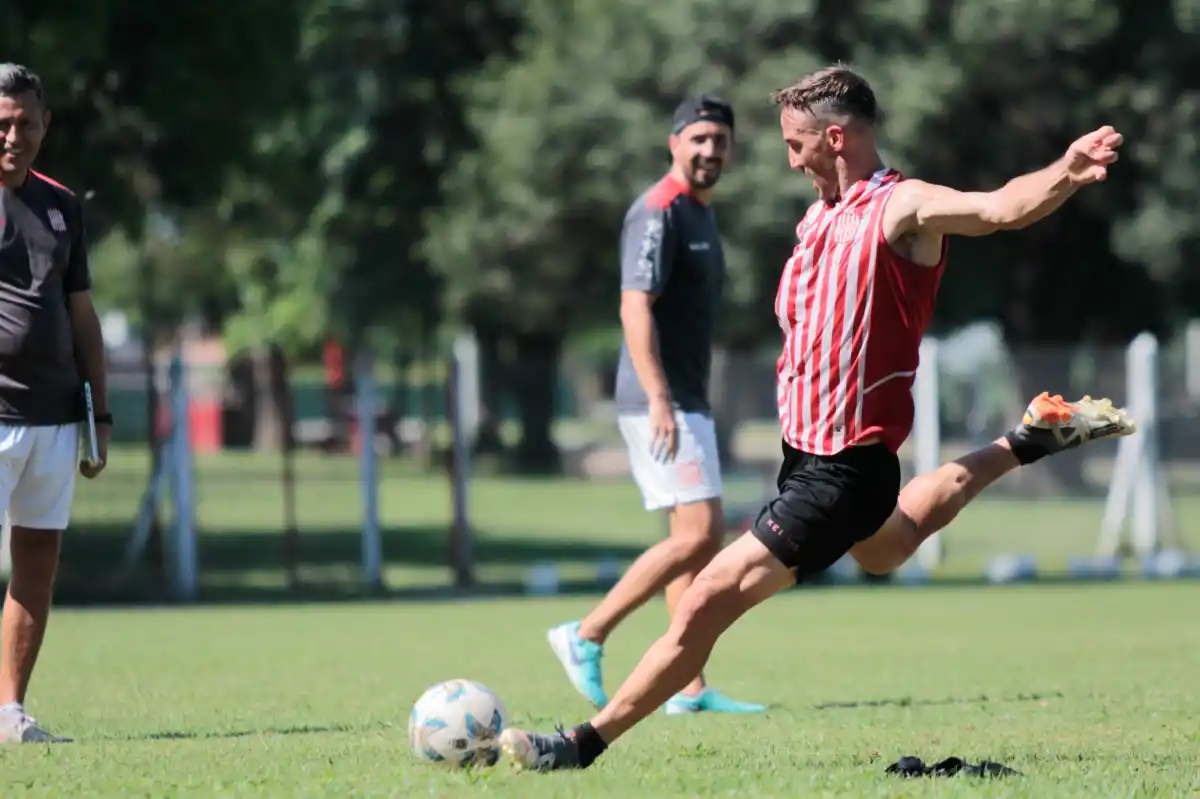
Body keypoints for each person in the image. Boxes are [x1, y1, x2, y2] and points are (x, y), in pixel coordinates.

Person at [500, 64, 1135, 771]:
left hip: (840, 470)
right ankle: (1025, 439)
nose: (790, 160)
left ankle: (580, 745)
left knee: (706, 596)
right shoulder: (818, 217)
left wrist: (1067, 172)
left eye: (796, 144)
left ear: (835, 139)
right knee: (888, 547)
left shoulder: (902, 207)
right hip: (810, 458)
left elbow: (998, 209)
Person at [545, 95, 764, 715]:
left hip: (687, 397)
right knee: (700, 534)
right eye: (699, 138)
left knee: (694, 541)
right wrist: (661, 398)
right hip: (658, 399)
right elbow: (634, 305)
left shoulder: (701, 213)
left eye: (720, 140)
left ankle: (687, 688)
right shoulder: (657, 211)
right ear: (674, 144)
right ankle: (587, 634)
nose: (710, 150)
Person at [0, 63, 110, 743]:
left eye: (26, 123)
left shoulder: (62, 206)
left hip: (55, 417)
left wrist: (99, 416)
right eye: (2, 123)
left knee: (37, 559)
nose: (14, 135)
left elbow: (83, 317)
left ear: (46, 124)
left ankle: (9, 711)